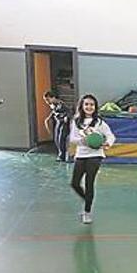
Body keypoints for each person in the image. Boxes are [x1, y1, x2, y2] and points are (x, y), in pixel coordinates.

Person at [69, 94, 115, 224]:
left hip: (95, 155)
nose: (89, 107)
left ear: (95, 107)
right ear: (82, 106)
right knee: (75, 183)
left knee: (89, 183)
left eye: (92, 105)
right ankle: (87, 199)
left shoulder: (99, 122)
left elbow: (110, 136)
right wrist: (82, 141)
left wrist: (108, 143)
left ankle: (87, 212)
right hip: (81, 154)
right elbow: (72, 138)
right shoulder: (76, 122)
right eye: (86, 104)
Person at [43, 90, 70, 162]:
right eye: (46, 100)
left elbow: (69, 112)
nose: (47, 102)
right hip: (58, 122)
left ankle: (62, 156)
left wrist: (66, 117)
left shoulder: (61, 104)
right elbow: (54, 112)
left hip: (63, 123)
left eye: (48, 99)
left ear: (53, 98)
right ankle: (60, 154)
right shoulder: (53, 105)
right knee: (56, 138)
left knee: (61, 139)